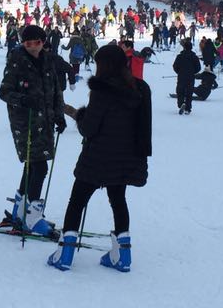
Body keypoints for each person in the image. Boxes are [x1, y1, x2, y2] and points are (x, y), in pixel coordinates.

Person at [49, 44, 152, 272]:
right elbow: (144, 127)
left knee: (77, 202)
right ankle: (122, 256)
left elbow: (89, 128)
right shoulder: (141, 88)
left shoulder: (101, 89)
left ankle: (65, 254)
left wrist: (82, 115)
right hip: (126, 158)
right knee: (118, 201)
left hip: (97, 157)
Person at [0, 23, 65, 235]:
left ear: (43, 42)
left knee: (32, 167)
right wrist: (23, 100)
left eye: (38, 42)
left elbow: (55, 92)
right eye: (28, 43)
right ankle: (32, 217)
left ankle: (20, 211)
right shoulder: (17, 61)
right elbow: (4, 92)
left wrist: (59, 116)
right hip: (25, 122)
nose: (33, 46)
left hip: (45, 120)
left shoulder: (48, 61)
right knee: (40, 167)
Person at [172, 38, 201, 115]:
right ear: (191, 48)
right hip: (190, 77)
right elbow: (198, 68)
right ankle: (188, 108)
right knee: (189, 92)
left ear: (184, 47)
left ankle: (181, 103)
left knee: (180, 91)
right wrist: (193, 72)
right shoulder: (194, 57)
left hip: (181, 76)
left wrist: (179, 72)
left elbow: (175, 66)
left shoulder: (179, 56)